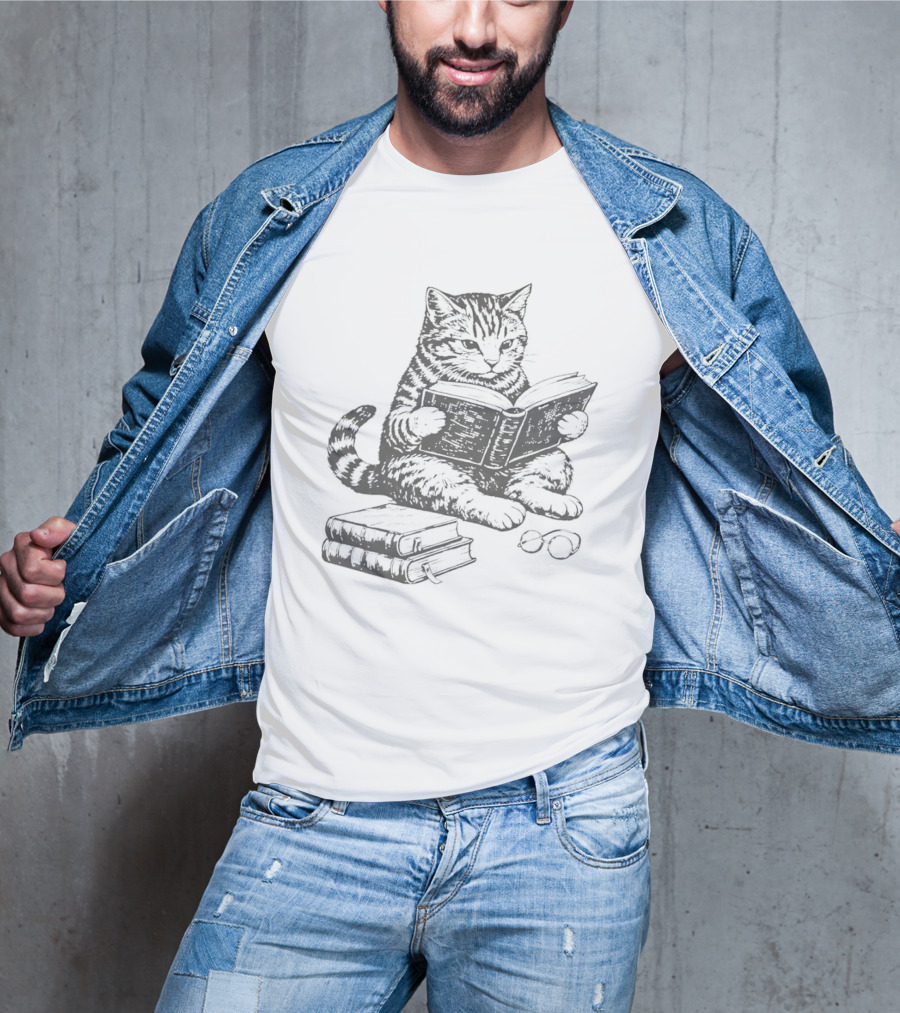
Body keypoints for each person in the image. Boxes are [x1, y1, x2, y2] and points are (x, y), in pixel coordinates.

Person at [2, 3, 899, 1011]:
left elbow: (791, 463)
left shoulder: (674, 231)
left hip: (566, 826)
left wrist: (870, 559)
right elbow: (155, 434)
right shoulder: (273, 219)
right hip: (314, 809)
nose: (472, 24)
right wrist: (65, 568)